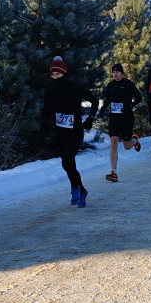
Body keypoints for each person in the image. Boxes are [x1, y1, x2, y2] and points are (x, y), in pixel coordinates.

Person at [41, 56, 99, 208]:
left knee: (67, 160)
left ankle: (75, 188)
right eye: (52, 75)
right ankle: (82, 190)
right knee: (67, 164)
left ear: (64, 74)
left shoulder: (74, 88)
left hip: (75, 131)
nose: (55, 77)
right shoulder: (50, 92)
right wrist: (43, 123)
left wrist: (90, 119)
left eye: (58, 74)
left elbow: (94, 100)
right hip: (60, 132)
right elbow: (46, 111)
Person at [98, 64, 142, 182]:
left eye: (117, 72)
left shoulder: (129, 84)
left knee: (127, 146)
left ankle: (134, 140)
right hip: (114, 119)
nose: (115, 74)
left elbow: (139, 98)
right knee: (113, 143)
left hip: (127, 118)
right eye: (113, 72)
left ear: (122, 73)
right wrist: (103, 109)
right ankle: (114, 172)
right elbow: (107, 99)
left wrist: (130, 106)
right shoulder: (110, 85)